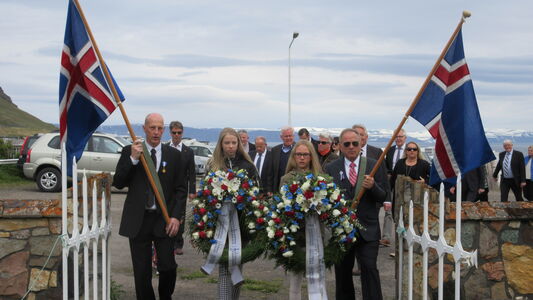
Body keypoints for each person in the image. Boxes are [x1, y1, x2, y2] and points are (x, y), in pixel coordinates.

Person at [113, 113, 185, 300]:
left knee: (168, 267)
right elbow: (119, 182)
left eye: (160, 128)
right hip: (139, 220)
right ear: (144, 128)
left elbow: (180, 190)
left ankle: (165, 296)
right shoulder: (131, 150)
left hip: (164, 220)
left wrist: (176, 217)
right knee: (142, 273)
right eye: (152, 128)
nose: (156, 132)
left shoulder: (174, 156)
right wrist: (133, 159)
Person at [325, 128, 390, 300]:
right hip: (342, 231)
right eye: (347, 144)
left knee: (369, 268)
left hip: (368, 229)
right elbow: (326, 199)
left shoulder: (372, 164)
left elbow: (383, 195)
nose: (352, 147)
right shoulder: (331, 168)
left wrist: (373, 186)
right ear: (340, 146)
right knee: (343, 273)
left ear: (361, 143)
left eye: (355, 143)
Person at [206, 128, 258, 300]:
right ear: (221, 144)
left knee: (236, 267)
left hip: (240, 225)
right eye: (227, 143)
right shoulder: (213, 165)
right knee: (223, 269)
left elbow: (256, 193)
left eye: (233, 143)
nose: (230, 146)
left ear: (239, 144)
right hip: (220, 225)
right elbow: (205, 194)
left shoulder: (248, 166)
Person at [280, 140, 323, 300]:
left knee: (316, 279)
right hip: (295, 234)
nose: (302, 158)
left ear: (311, 157)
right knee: (295, 279)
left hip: (315, 234)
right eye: (299, 154)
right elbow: (282, 208)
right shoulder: (286, 179)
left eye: (305, 154)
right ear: (294, 156)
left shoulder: (320, 178)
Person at [167, 121, 196, 255]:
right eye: (174, 133)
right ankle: (167, 240)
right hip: (167, 188)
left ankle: (178, 243)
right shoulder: (165, 148)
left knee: (180, 215)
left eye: (179, 133)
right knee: (167, 213)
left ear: (182, 133)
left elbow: (192, 172)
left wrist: (192, 191)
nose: (177, 135)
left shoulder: (188, 151)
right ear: (170, 133)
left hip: (182, 189)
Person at [381, 129, 407, 247]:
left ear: (405, 138)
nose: (398, 139)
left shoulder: (410, 150)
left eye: (400, 136)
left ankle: (403, 238)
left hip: (405, 185)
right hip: (390, 183)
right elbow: (386, 165)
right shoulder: (390, 151)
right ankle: (386, 237)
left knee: (404, 211)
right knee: (388, 209)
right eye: (396, 137)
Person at [271, 126, 296, 193]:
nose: (288, 138)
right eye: (286, 136)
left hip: (294, 187)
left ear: (293, 136)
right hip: (277, 187)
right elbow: (270, 171)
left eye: (290, 136)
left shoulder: (298, 149)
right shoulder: (275, 150)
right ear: (281, 137)